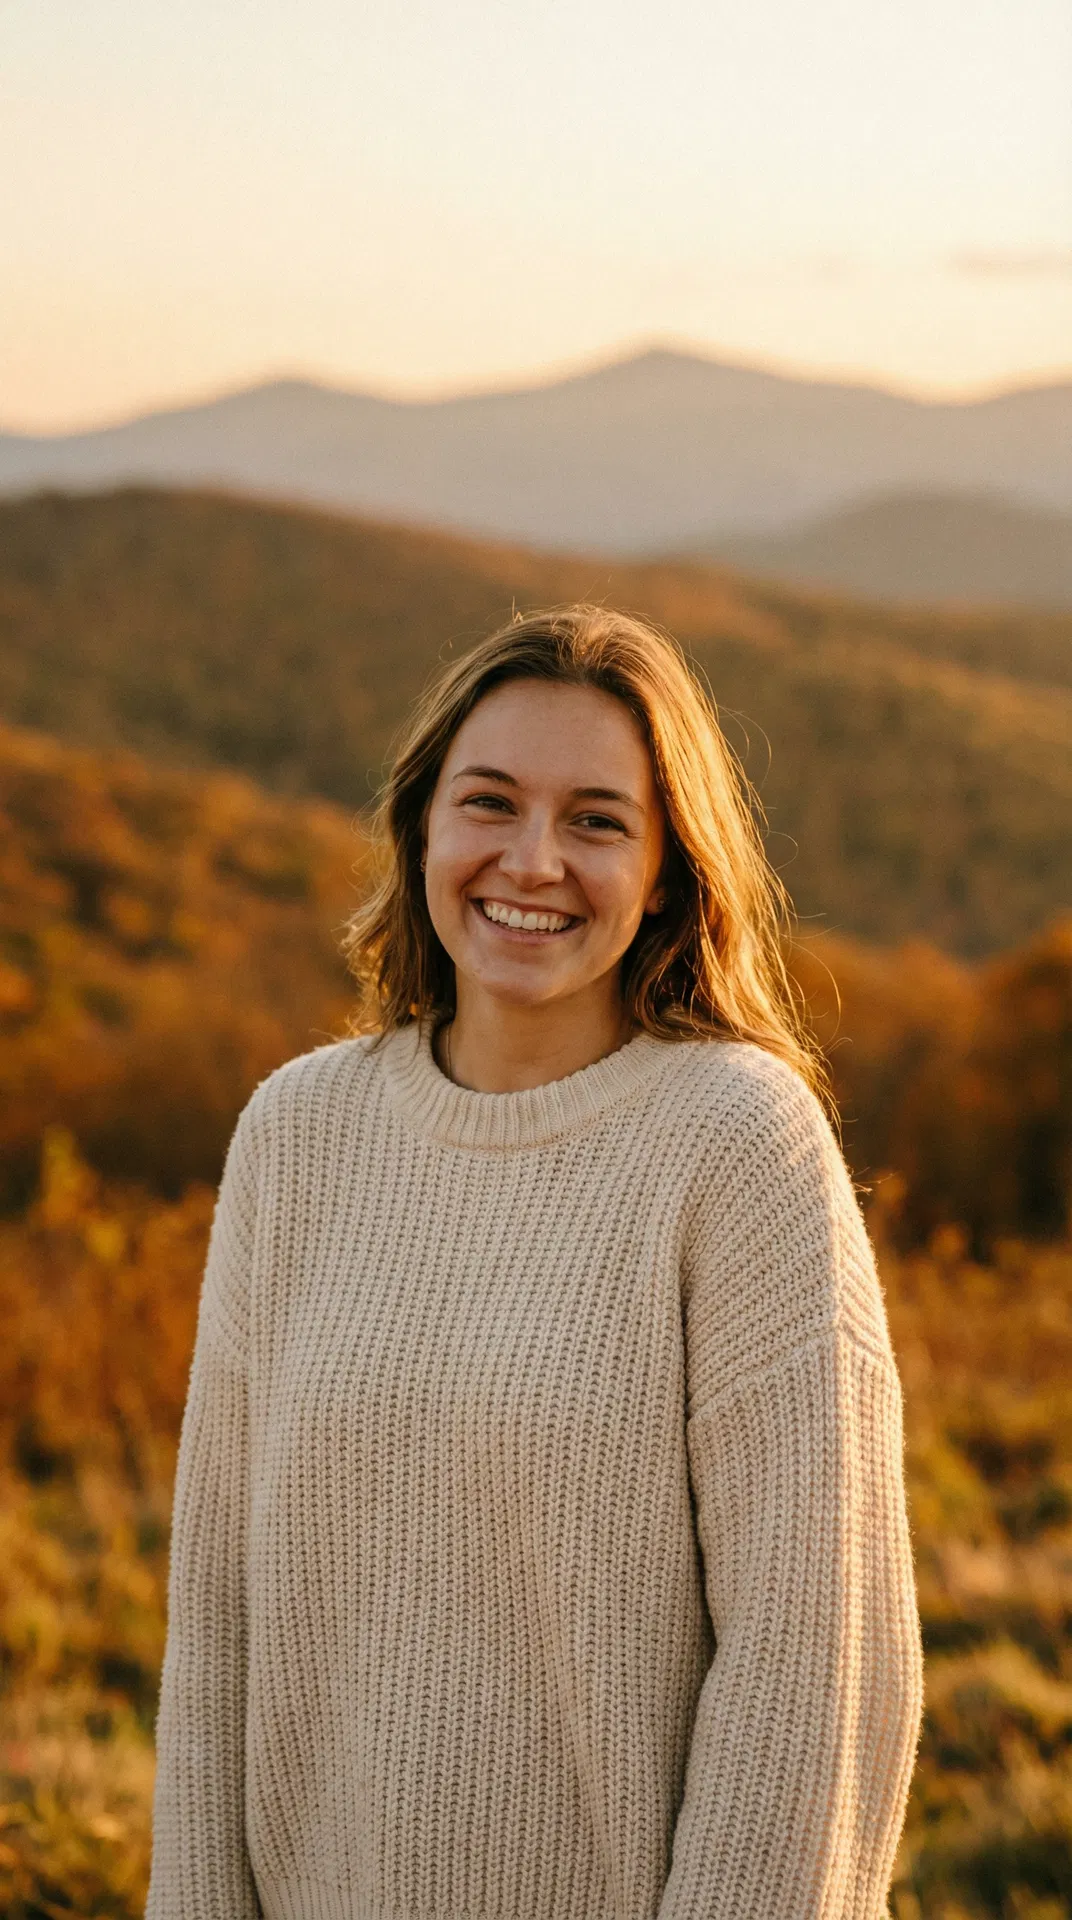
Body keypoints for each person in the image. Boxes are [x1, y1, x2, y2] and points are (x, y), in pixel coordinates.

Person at [146, 605, 924, 1920]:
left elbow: (813, 1668)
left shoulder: (738, 1143)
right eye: (491, 803)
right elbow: (215, 1610)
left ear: (671, 870)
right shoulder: (298, 1134)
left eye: (599, 820)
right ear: (422, 830)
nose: (534, 859)